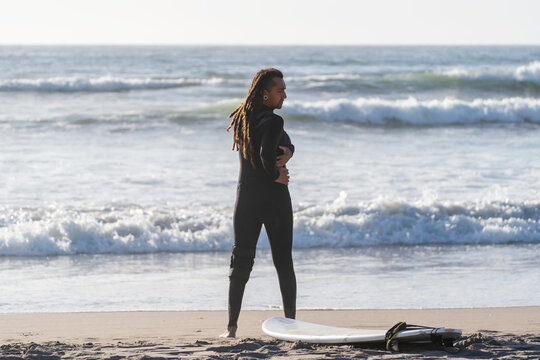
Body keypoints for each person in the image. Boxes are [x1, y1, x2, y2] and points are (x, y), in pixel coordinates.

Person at [220, 68, 296, 338]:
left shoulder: (243, 119)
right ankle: (291, 325)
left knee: (240, 263)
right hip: (274, 200)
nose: (285, 95)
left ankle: (231, 329)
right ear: (265, 93)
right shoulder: (275, 122)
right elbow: (267, 158)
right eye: (280, 91)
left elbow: (281, 147)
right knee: (283, 262)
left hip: (247, 200)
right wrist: (278, 175)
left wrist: (288, 152)